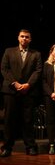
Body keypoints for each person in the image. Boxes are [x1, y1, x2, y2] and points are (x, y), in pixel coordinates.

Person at [0, 29, 42, 157]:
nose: (24, 39)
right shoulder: (9, 51)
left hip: (28, 91)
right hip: (11, 91)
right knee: (9, 120)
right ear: (18, 38)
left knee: (28, 120)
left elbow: (38, 71)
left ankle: (30, 147)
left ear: (30, 39)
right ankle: (7, 148)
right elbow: (4, 69)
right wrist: (15, 83)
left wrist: (28, 84)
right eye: (22, 36)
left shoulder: (36, 54)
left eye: (27, 37)